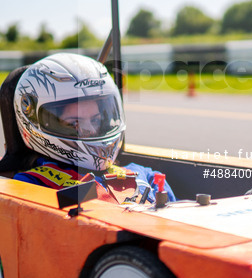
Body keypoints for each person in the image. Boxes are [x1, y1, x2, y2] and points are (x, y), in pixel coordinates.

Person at [12, 53, 175, 203]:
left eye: (96, 120)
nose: (90, 129)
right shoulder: (33, 184)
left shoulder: (147, 177)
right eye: (74, 123)